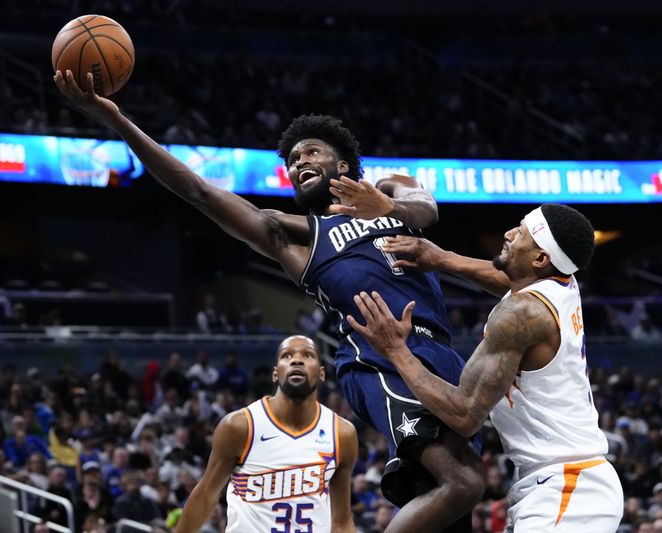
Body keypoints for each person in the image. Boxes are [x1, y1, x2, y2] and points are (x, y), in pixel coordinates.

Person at [55, 70, 484, 531]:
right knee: (462, 482)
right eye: (293, 159)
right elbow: (197, 191)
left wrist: (389, 209)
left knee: (452, 512)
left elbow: (428, 208)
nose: (299, 161)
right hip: (380, 358)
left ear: (343, 165)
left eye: (311, 151)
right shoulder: (293, 236)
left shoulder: (387, 189)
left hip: (440, 352)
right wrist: (115, 120)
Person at [347, 203, 624, 531]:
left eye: (520, 233)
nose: (508, 233)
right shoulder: (560, 281)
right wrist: (442, 258)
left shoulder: (521, 314)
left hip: (567, 487)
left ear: (540, 259)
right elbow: (507, 280)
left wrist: (396, 350)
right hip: (559, 482)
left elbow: (464, 415)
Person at [171, 335, 356, 532]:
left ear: (321, 373)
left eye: (308, 355)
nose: (296, 360)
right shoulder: (240, 426)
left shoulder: (341, 433)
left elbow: (341, 521)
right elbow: (205, 497)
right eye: (286, 356)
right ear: (275, 374)